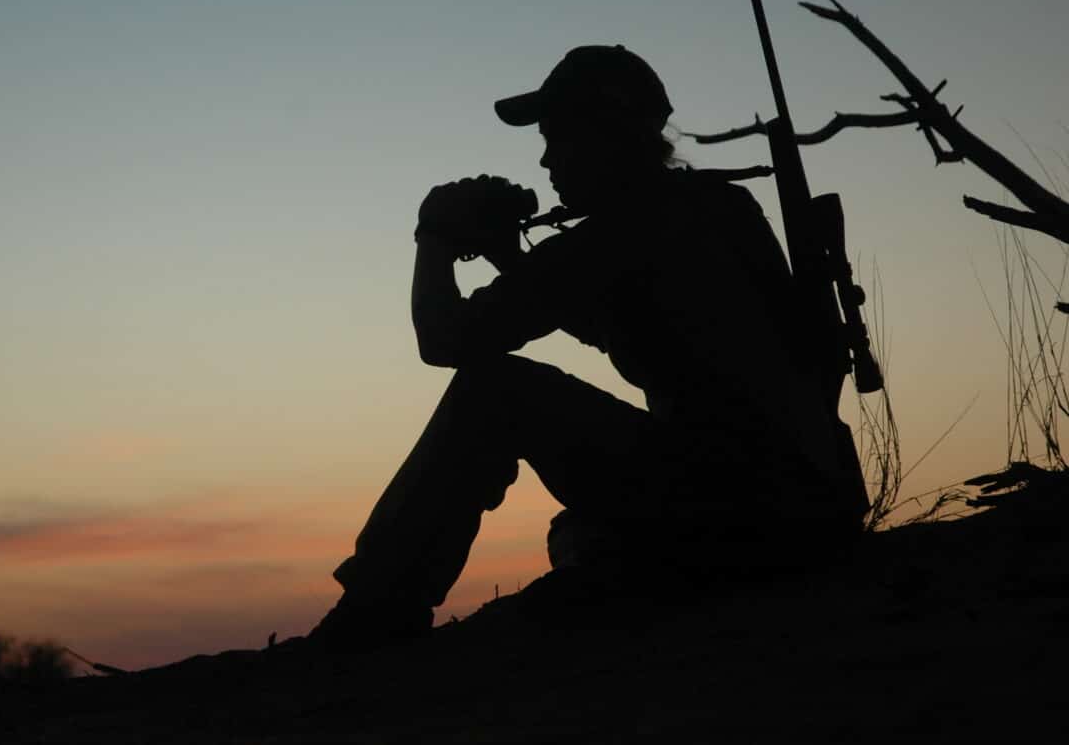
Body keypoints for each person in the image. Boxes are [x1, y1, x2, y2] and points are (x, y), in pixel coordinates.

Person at [310, 45, 869, 649]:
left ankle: (374, 613)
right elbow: (628, 324)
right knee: (578, 531)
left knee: (495, 391)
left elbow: (444, 342)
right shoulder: (717, 207)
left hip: (740, 508)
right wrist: (510, 255)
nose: (547, 160)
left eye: (558, 138)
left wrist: (434, 236)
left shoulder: (618, 235)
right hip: (808, 507)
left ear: (606, 136)